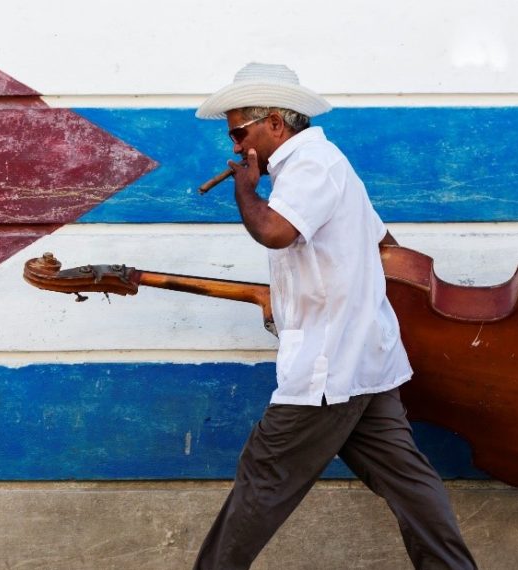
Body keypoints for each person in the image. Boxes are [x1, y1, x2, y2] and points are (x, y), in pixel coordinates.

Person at [191, 63, 477, 570]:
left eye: (240, 132)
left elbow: (277, 232)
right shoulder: (327, 163)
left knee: (264, 479)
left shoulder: (309, 167)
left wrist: (245, 191)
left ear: (275, 123)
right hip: (365, 360)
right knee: (409, 484)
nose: (236, 147)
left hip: (327, 367)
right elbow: (383, 243)